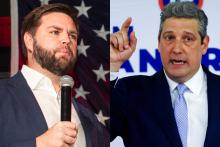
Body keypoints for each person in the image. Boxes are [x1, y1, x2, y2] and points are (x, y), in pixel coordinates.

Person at [110, 1, 220, 147]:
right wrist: (111, 65)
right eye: (169, 37)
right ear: (158, 42)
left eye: (188, 38)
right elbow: (93, 131)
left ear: (204, 45)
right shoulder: (131, 92)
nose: (177, 49)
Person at [0, 3, 106, 147]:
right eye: (55, 32)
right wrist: (38, 144)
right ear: (29, 42)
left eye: (72, 36)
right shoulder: (3, 94)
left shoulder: (89, 117)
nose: (67, 40)